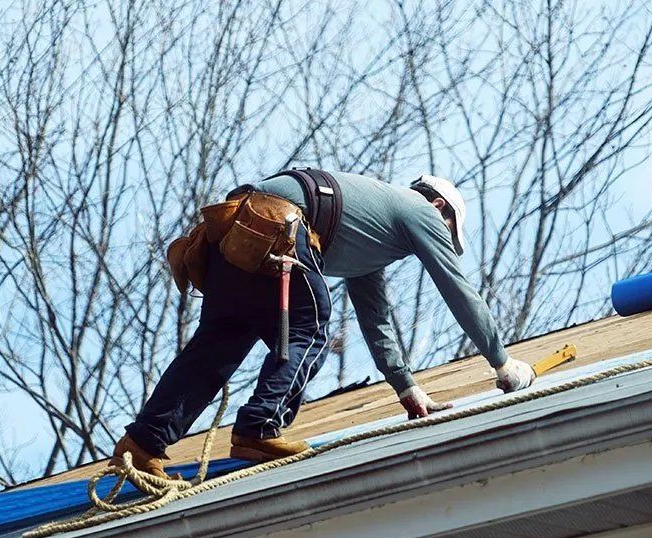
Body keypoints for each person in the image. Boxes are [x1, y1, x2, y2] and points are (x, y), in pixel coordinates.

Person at [112, 170, 535, 477]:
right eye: (446, 230)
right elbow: (457, 289)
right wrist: (502, 363)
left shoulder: (369, 237)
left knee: (219, 342)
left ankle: (143, 442)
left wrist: (406, 388)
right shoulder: (418, 210)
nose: (440, 238)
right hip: (280, 224)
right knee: (310, 324)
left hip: (236, 231)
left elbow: (375, 317)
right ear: (438, 207)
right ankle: (258, 428)